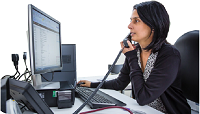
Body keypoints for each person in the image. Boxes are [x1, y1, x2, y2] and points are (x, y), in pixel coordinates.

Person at [77, 1, 191, 113]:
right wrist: (92, 85)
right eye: (131, 20)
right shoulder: (136, 51)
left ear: (154, 25)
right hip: (144, 110)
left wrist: (131, 57)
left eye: (136, 21)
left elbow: (143, 97)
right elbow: (120, 83)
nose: (129, 26)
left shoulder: (169, 54)